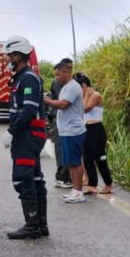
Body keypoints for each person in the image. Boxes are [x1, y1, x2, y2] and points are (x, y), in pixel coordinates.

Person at [2, 36, 50, 239]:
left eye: (9, 56)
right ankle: (40, 226)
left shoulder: (27, 78)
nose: (7, 61)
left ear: (17, 55)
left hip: (27, 135)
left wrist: (11, 131)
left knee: (23, 178)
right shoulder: (22, 77)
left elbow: (29, 110)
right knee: (35, 178)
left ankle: (32, 226)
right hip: (30, 135)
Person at [43, 60, 87, 203]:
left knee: (76, 162)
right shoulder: (65, 87)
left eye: (58, 74)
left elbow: (62, 104)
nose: (56, 77)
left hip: (74, 130)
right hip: (66, 131)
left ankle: (79, 192)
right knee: (70, 163)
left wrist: (45, 100)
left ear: (66, 72)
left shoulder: (73, 87)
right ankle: (74, 190)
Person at [76, 73, 113, 194]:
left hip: (96, 129)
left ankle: (108, 184)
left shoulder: (96, 95)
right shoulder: (83, 96)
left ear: (84, 85)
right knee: (87, 157)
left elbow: (85, 108)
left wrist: (86, 93)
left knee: (100, 157)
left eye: (79, 87)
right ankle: (92, 185)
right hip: (86, 129)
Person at [48, 59, 74, 188]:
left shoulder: (71, 83)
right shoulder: (59, 83)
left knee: (67, 149)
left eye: (71, 68)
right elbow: (62, 102)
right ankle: (62, 177)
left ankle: (67, 177)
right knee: (61, 149)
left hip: (65, 119)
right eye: (68, 68)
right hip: (59, 119)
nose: (70, 71)